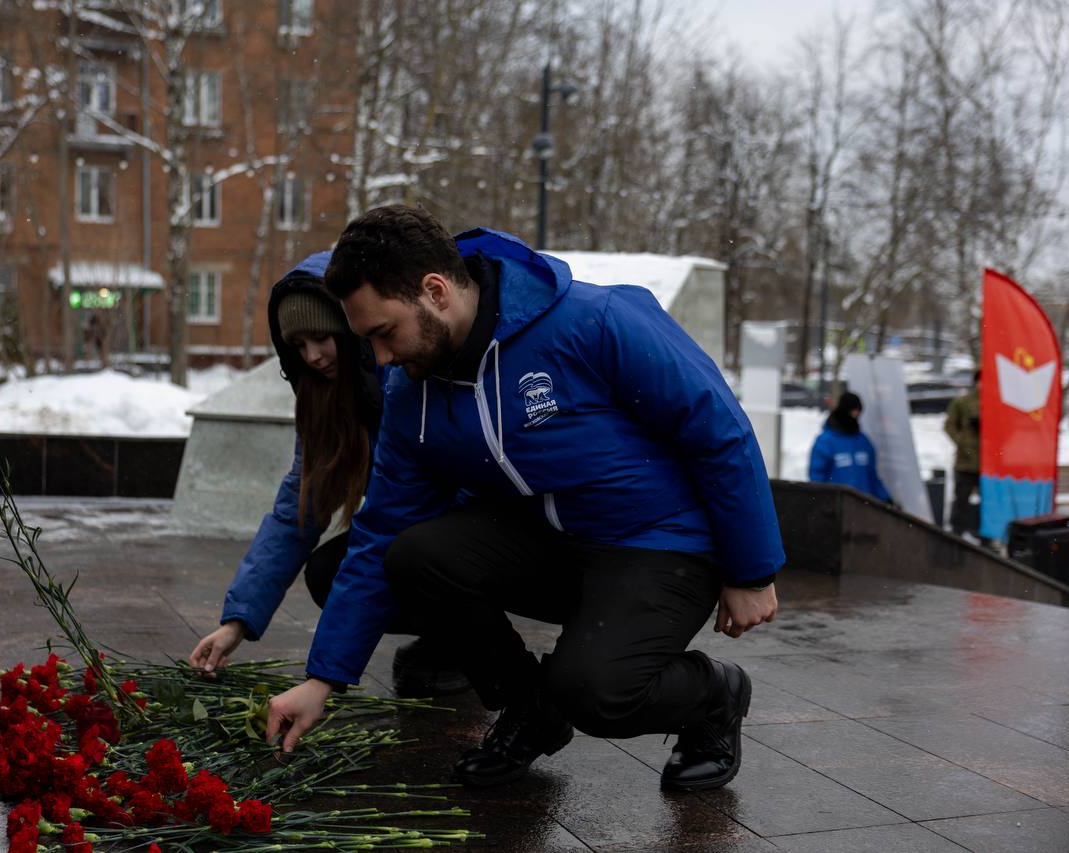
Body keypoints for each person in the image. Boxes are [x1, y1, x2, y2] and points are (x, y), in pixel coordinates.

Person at [266, 206, 783, 793]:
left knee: (594, 691)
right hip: (554, 540)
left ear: (435, 291)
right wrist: (322, 680)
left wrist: (751, 569)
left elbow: (718, 429)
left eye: (384, 333)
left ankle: (715, 696)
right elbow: (382, 526)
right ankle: (530, 708)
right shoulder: (414, 391)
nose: (380, 359)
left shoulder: (593, 320)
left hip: (659, 542)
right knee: (414, 554)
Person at [188, 253, 467, 697]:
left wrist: (325, 677)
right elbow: (295, 512)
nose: (313, 357)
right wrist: (236, 622)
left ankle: (463, 641)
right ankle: (447, 634)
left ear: (352, 327)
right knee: (329, 569)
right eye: (298, 347)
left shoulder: (409, 373)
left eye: (321, 338)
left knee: (402, 553)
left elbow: (421, 507)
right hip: (405, 532)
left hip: (461, 535)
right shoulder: (326, 399)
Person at [808, 392, 892, 503]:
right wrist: (822, 502)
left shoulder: (863, 442)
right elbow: (817, 477)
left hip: (863, 507)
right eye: (852, 412)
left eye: (858, 413)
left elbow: (872, 476)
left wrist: (885, 499)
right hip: (836, 508)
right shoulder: (826, 441)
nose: (856, 416)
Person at [944, 370, 981, 537]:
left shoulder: (995, 403)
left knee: (987, 504)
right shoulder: (963, 402)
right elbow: (949, 425)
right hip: (965, 462)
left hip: (988, 465)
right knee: (961, 501)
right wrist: (963, 442)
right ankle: (957, 534)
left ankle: (983, 535)